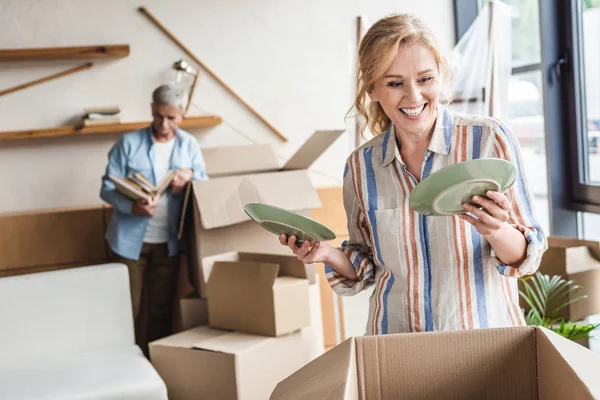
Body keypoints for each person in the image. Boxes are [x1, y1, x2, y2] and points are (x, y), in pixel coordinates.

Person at [281, 14, 547, 335]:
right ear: (373, 90)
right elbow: (365, 265)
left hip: (484, 343)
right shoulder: (360, 166)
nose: (414, 96)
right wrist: (328, 254)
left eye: (425, 79)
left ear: (440, 77)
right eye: (395, 83)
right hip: (396, 344)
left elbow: (526, 258)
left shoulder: (489, 140)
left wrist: (495, 229)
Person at [100, 84, 207, 354]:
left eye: (171, 118)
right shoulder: (128, 143)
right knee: (125, 312)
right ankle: (125, 368)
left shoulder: (190, 146)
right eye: (159, 115)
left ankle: (153, 370)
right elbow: (106, 188)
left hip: (168, 243)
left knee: (160, 312)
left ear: (182, 115)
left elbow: (206, 188)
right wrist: (130, 206)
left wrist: (190, 176)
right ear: (151, 109)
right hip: (127, 242)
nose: (163, 123)